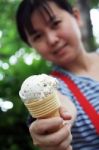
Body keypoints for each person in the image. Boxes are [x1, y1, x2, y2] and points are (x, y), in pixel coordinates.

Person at [16, 0, 99, 150]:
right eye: (37, 36)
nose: (52, 39)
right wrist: (54, 125)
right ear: (32, 46)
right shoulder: (50, 86)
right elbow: (61, 103)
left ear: (77, 17)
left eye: (55, 24)